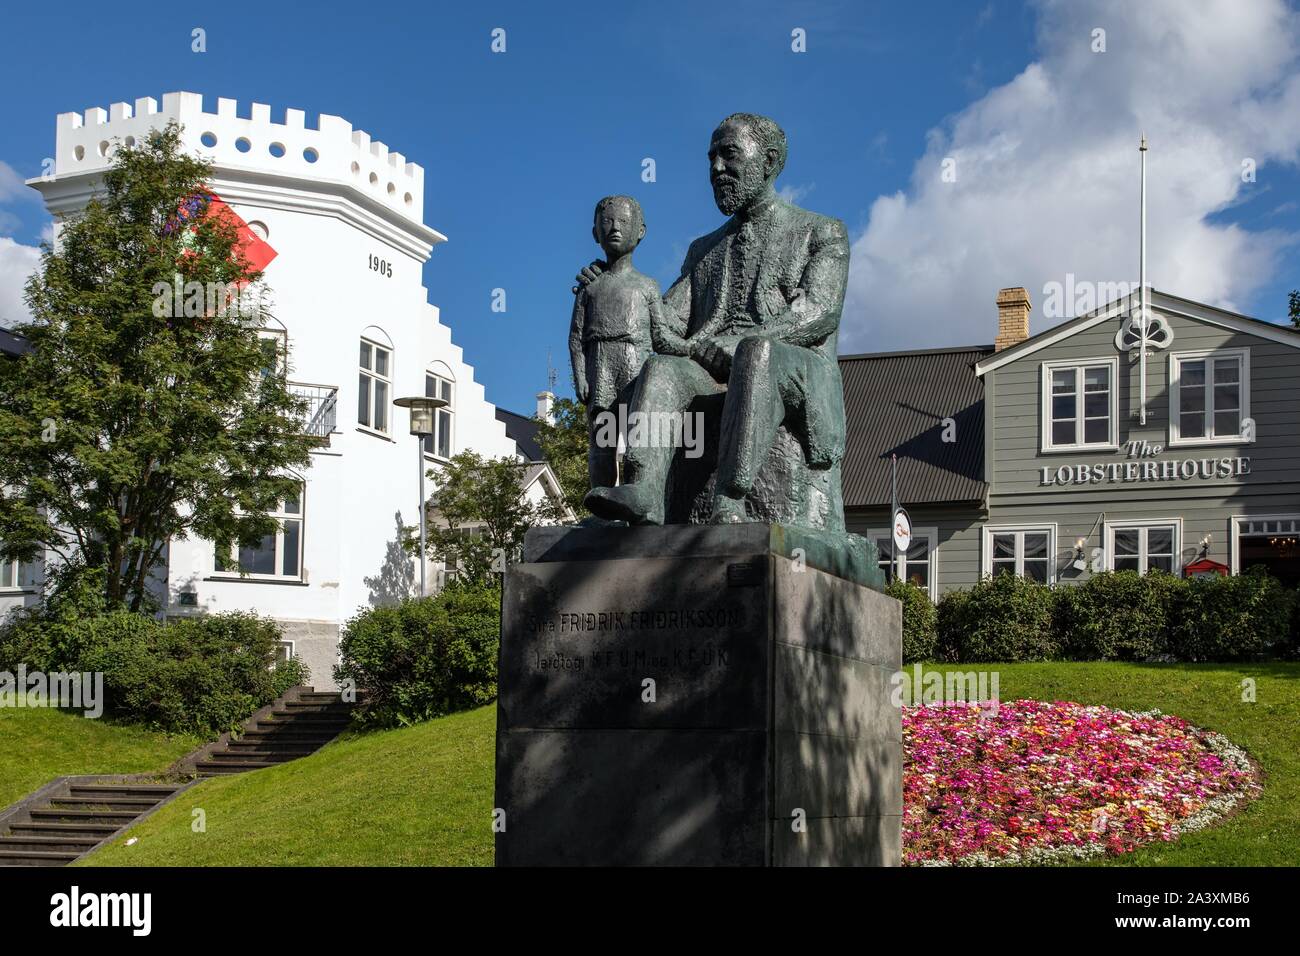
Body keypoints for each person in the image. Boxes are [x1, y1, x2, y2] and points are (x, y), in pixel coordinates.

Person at [580, 113, 850, 528]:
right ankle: (645, 490)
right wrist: (617, 282)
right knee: (663, 368)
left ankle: (730, 498)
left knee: (757, 354)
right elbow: (665, 319)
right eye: (711, 159)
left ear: (770, 161)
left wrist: (744, 342)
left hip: (796, 370)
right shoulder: (703, 249)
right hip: (712, 371)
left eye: (729, 155)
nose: (716, 170)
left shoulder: (821, 232)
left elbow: (818, 311)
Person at [567, 195, 666, 489]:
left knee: (640, 441)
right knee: (602, 443)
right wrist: (580, 376)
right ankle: (602, 507)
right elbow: (575, 336)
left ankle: (637, 502)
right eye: (607, 222)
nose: (614, 228)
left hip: (636, 367)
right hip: (601, 369)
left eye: (623, 222)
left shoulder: (648, 286)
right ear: (596, 232)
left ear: (640, 231)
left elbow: (662, 335)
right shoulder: (589, 288)